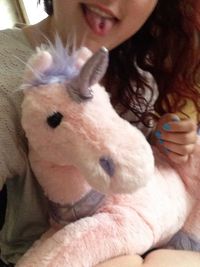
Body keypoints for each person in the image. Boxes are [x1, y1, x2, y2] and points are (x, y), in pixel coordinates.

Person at [0, 0, 199, 266]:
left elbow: (141, 164)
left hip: (152, 232)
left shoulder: (139, 74)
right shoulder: (6, 79)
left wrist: (166, 143)